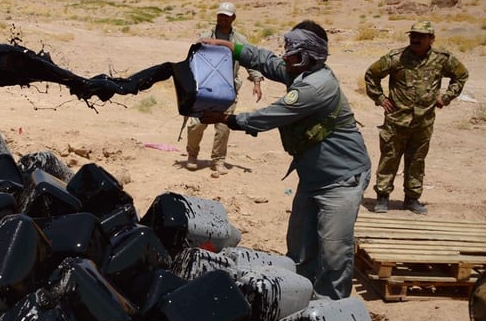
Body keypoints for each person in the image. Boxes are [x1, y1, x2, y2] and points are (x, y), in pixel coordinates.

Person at [199, 20, 371, 300]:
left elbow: (269, 116)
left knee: (333, 253)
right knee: (300, 248)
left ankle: (332, 310)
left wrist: (226, 118)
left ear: (306, 56)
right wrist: (231, 47)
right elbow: (266, 61)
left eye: (291, 51)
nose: (284, 56)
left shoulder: (315, 87)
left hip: (341, 181)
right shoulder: (300, 72)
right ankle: (301, 297)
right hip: (313, 179)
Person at [364, 20, 469, 215]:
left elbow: (461, 75)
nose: (416, 39)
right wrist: (380, 98)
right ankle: (382, 197)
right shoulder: (396, 58)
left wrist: (446, 97)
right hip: (396, 121)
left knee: (417, 160)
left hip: (424, 122)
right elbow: (372, 74)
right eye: (413, 35)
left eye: (421, 36)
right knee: (389, 158)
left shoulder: (442, 59)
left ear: (431, 39)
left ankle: (412, 199)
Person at [184, 2, 264, 173]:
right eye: (220, 16)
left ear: (233, 18)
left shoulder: (239, 40)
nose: (222, 19)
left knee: (223, 127)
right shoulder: (205, 36)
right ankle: (192, 155)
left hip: (228, 90)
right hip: (205, 89)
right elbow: (193, 61)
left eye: (226, 17)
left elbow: (250, 61)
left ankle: (218, 161)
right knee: (196, 124)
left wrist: (256, 81)